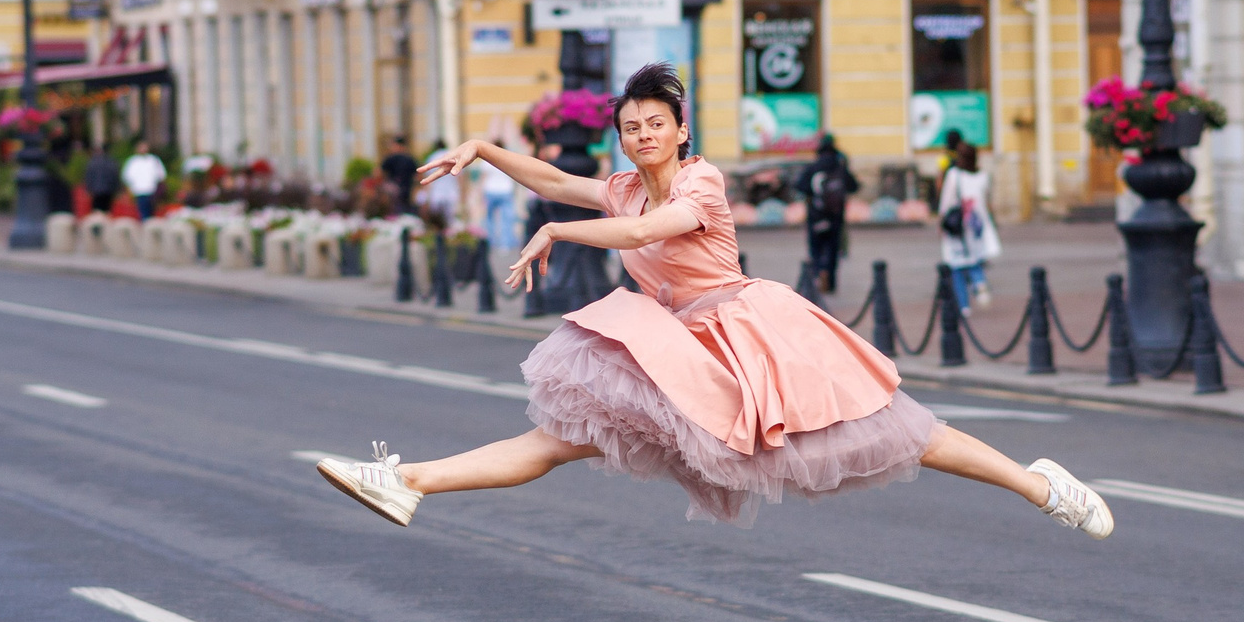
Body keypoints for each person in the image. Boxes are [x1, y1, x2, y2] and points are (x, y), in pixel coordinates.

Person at [311, 62, 1111, 539]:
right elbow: (558, 180)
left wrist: (561, 233)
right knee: (558, 439)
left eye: (655, 125)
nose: (642, 137)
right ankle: (407, 481)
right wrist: (480, 150)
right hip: (677, 345)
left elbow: (652, 229)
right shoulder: (622, 184)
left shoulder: (700, 181)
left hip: (753, 333)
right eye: (630, 127)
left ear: (680, 128)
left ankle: (1044, 487)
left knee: (907, 436)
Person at [936, 130, 999, 313]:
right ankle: (980, 283)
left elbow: (946, 202)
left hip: (956, 226)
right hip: (976, 225)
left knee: (956, 266)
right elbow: (987, 202)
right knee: (975, 260)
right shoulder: (983, 177)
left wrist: (941, 223)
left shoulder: (954, 174)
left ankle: (964, 306)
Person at [798, 134, 857, 295]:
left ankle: (818, 272)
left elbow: (800, 186)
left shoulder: (812, 167)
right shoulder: (839, 166)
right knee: (833, 249)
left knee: (816, 248)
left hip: (815, 216)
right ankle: (830, 281)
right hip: (835, 216)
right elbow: (854, 186)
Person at [121, 142, 167, 219]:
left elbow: (161, 176)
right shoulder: (132, 161)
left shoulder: (154, 160)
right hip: (139, 191)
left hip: (152, 191)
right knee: (143, 212)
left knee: (152, 212)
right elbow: (127, 178)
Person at [380, 135, 419, 212]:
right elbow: (417, 176)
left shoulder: (391, 158)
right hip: (407, 191)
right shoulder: (410, 159)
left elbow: (380, 173)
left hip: (393, 192)